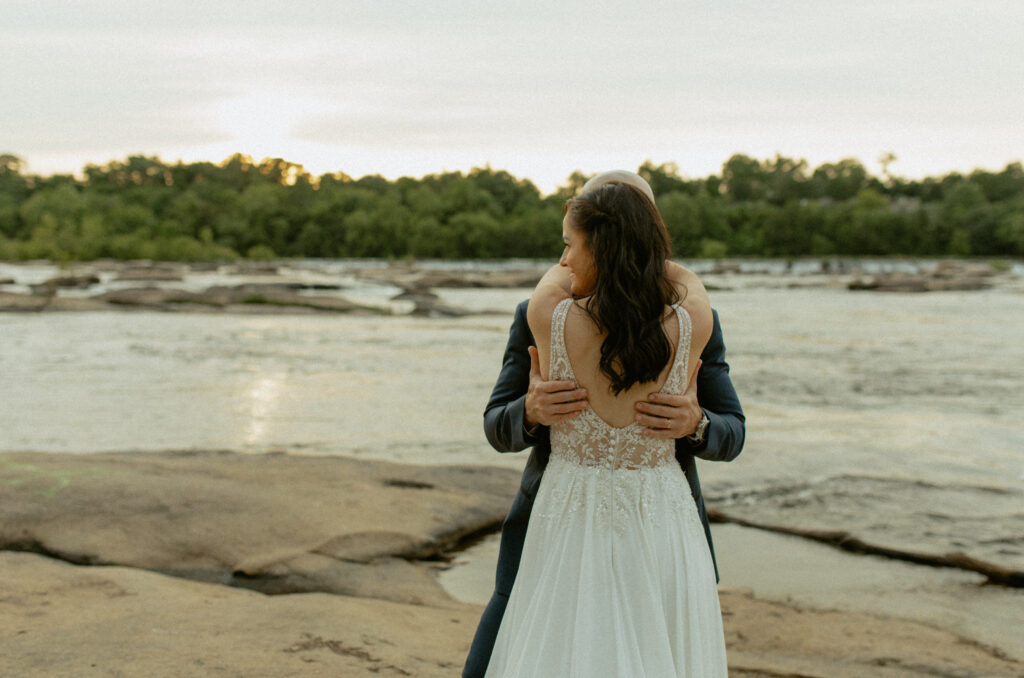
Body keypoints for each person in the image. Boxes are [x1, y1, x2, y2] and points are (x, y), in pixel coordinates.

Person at [464, 174, 743, 677]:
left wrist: (697, 422)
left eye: (571, 243)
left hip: (656, 537)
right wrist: (529, 412)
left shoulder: (692, 323)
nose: (564, 257)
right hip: (548, 532)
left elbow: (734, 433)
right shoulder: (534, 316)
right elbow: (494, 424)